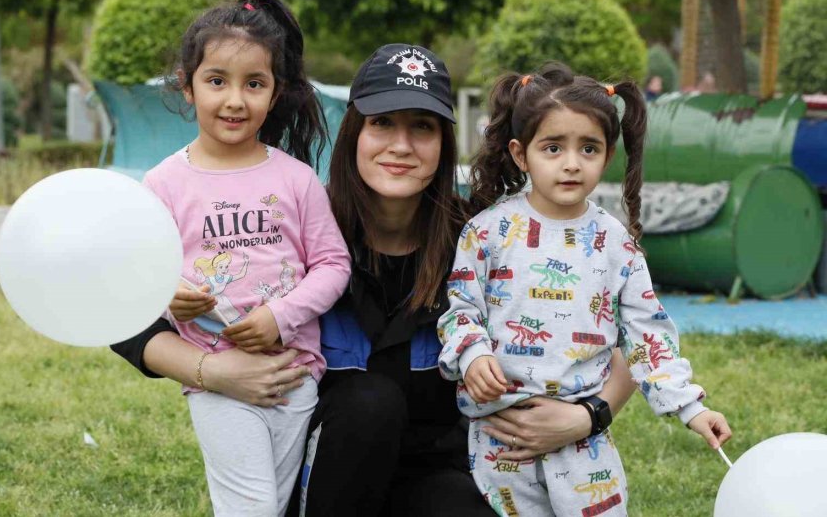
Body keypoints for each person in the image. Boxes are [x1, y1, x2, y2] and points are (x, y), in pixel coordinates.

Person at [112, 45, 639, 516]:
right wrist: (210, 370)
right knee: (371, 401)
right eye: (382, 123)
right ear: (355, 133)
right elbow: (124, 322)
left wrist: (588, 416)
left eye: (422, 127)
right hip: (324, 471)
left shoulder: (484, 238)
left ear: (443, 141)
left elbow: (622, 343)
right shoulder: (297, 219)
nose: (401, 145)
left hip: (435, 469)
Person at [437, 63, 732, 516]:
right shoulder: (487, 232)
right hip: (501, 438)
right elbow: (460, 310)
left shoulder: (617, 244)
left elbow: (646, 335)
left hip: (584, 445)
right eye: (553, 147)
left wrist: (691, 409)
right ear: (521, 154)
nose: (572, 163)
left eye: (588, 148)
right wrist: (472, 353)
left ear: (607, 155)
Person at [138, 0, 351, 515]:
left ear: (274, 92)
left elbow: (331, 263)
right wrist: (169, 295)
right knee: (250, 506)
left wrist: (281, 316)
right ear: (187, 86)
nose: (235, 100)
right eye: (216, 81)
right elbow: (142, 277)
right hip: (217, 379)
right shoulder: (162, 185)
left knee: (278, 502)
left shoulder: (298, 179)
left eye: (253, 84)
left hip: (296, 373)